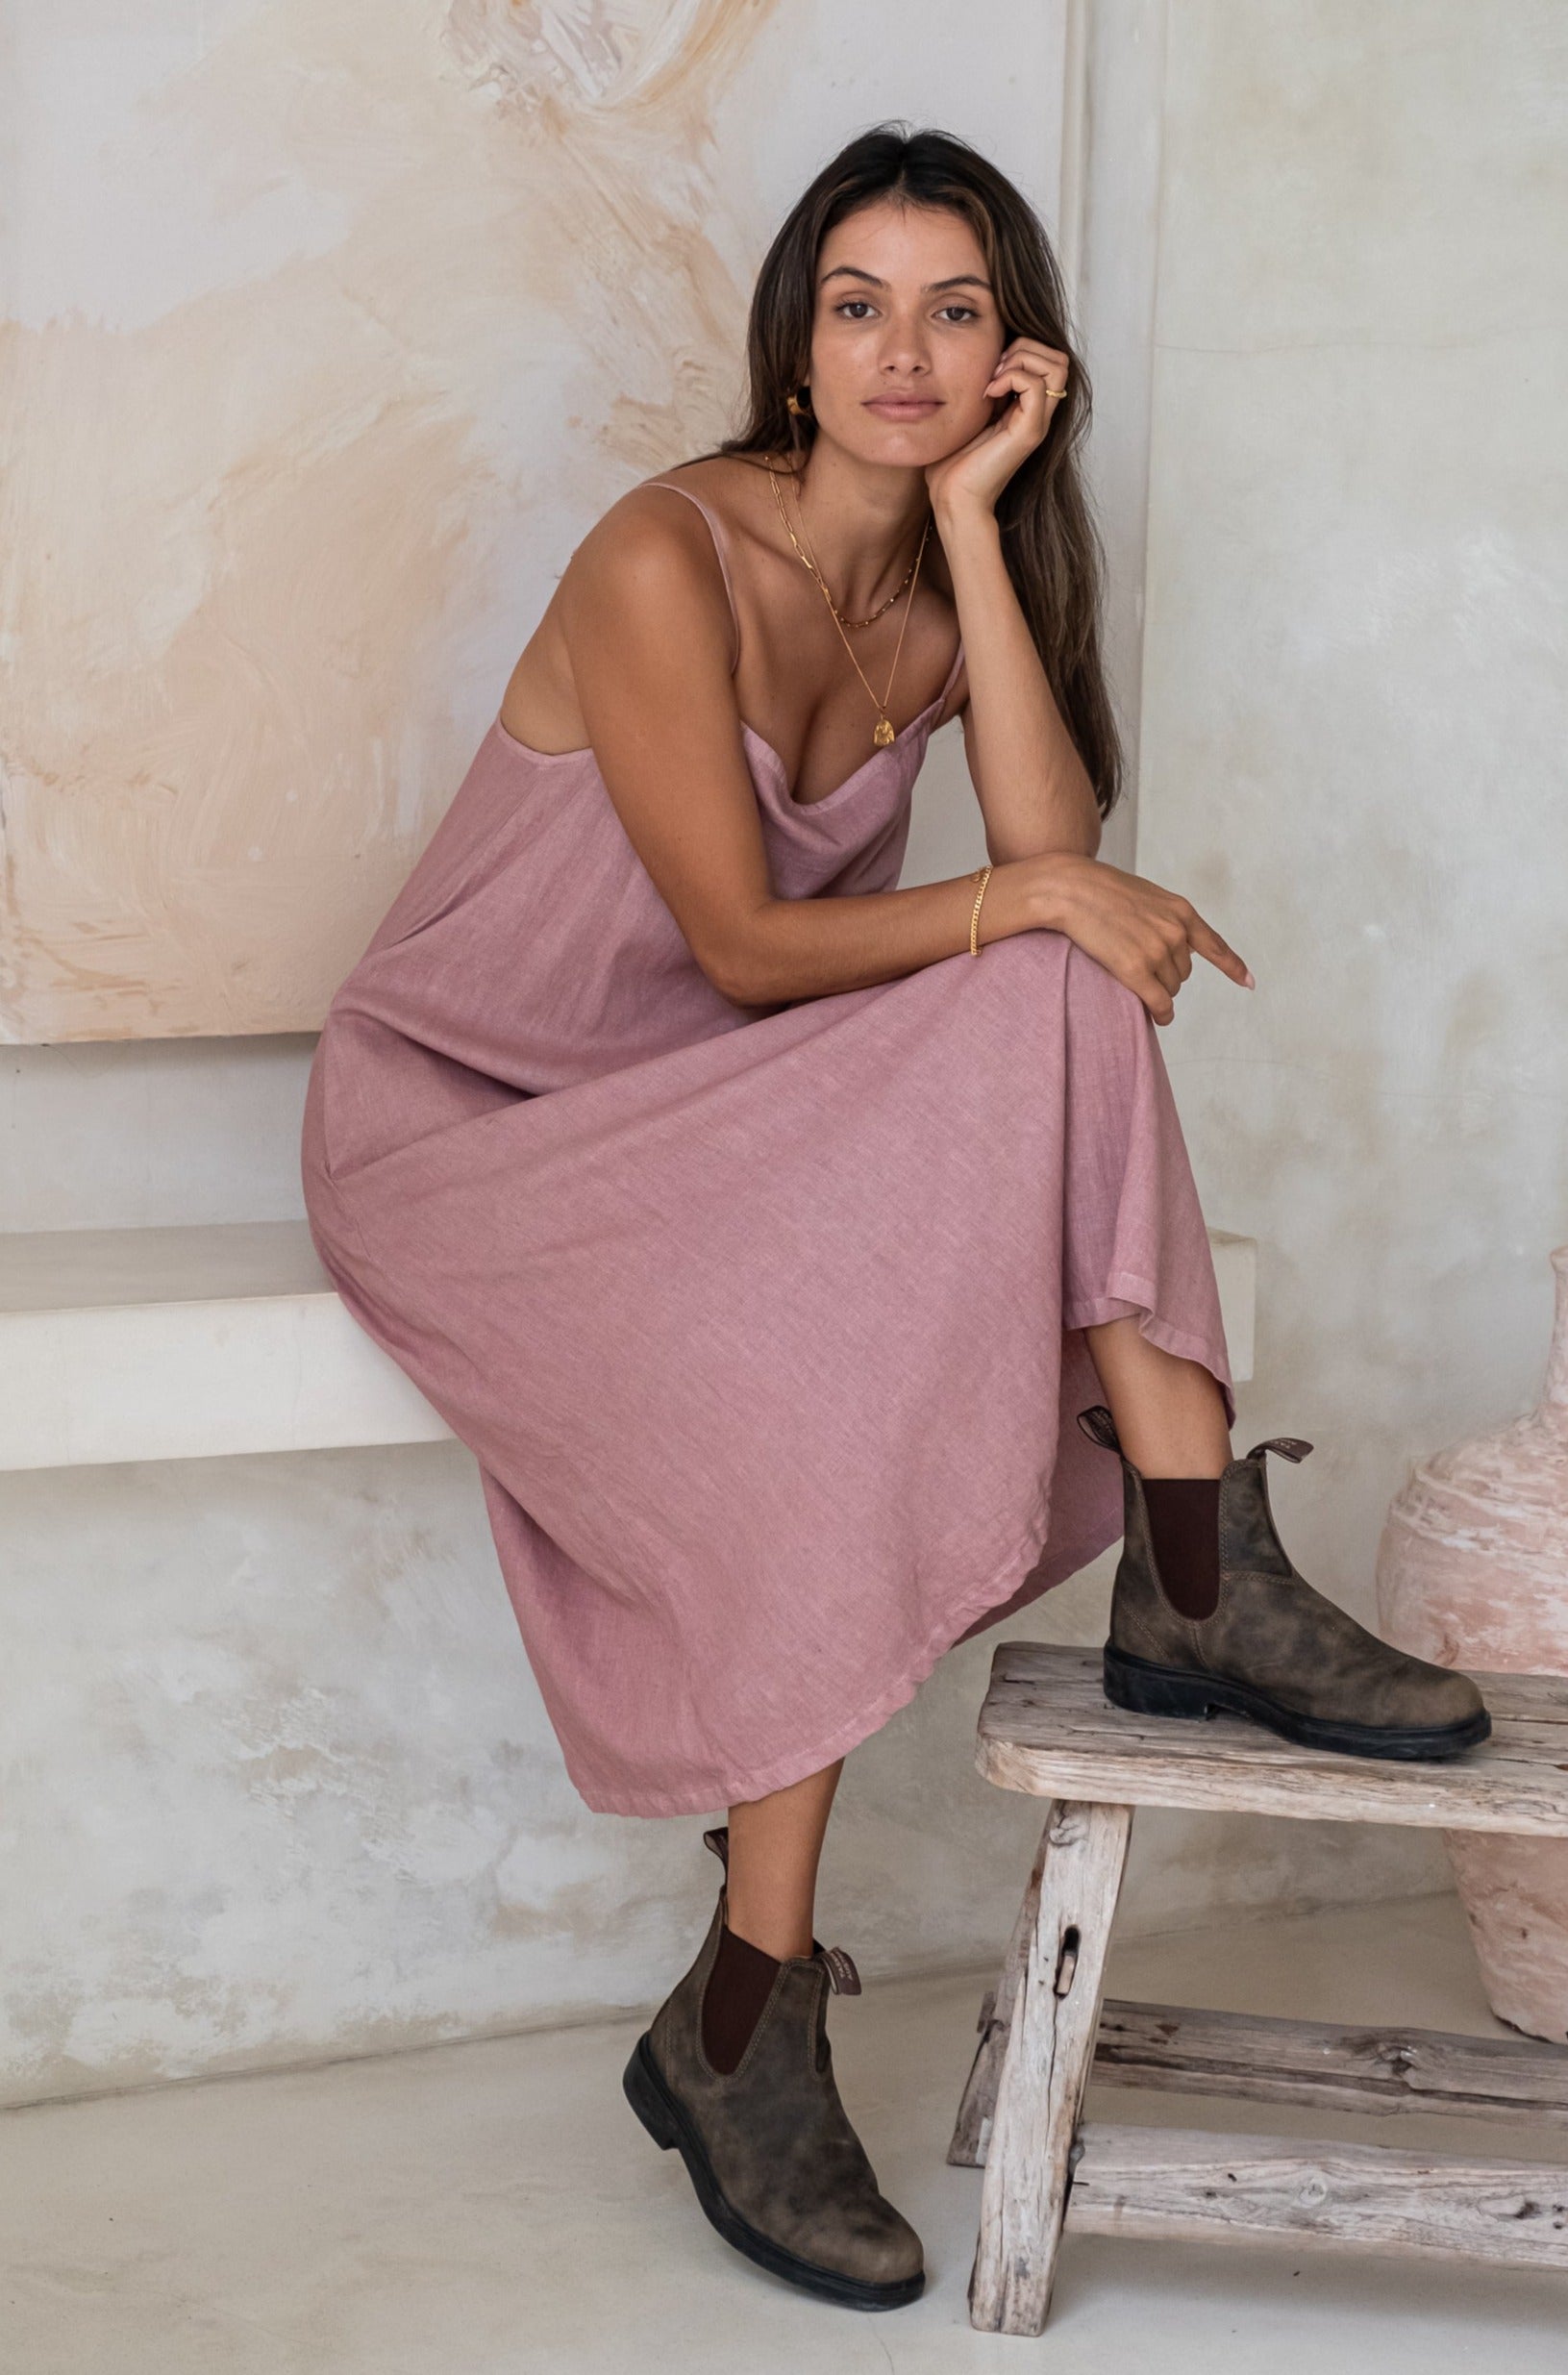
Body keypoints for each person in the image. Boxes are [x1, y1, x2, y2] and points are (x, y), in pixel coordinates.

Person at [299, 123, 1489, 2313]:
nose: (902, 350)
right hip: (480, 1135)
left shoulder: (938, 597)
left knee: (1040, 978)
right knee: (868, 1249)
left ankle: (1119, 1643)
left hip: (714, 1123)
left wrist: (973, 531)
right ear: (796, 332)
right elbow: (753, 942)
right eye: (859, 302)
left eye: (956, 311)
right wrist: (1037, 893)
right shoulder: (663, 558)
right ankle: (1168, 1587)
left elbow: (1062, 866)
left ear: (1011, 353)